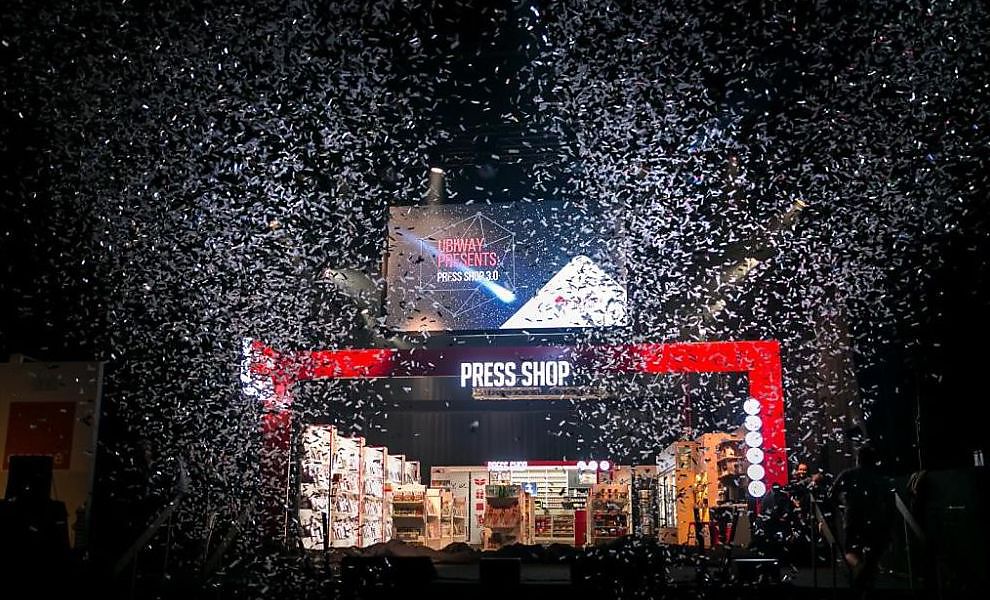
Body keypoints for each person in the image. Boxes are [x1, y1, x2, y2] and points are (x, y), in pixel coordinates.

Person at [827, 443, 894, 593]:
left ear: (858, 459)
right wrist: (888, 525)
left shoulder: (848, 475)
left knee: (852, 553)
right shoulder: (880, 479)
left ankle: (859, 578)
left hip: (853, 520)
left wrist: (842, 507)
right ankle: (864, 582)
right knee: (872, 556)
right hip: (875, 522)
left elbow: (832, 495)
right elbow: (890, 504)